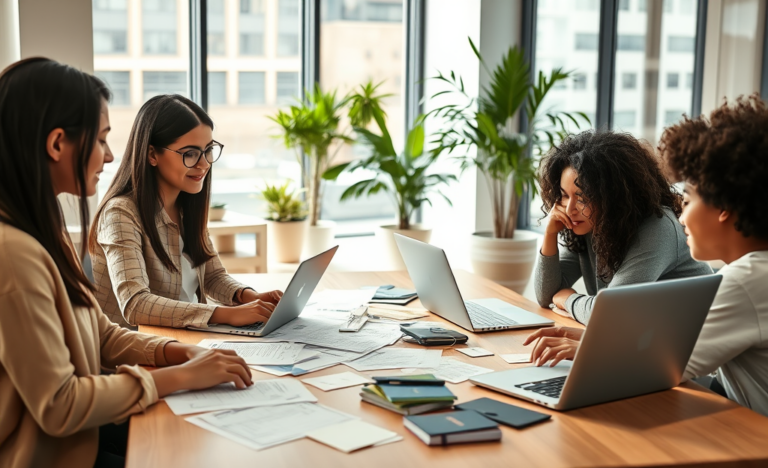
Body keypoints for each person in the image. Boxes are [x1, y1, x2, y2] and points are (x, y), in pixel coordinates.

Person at [0, 58, 254, 468]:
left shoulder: (45, 230)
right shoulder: (13, 254)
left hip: (88, 433)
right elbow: (59, 405)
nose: (109, 154)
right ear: (57, 144)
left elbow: (102, 334)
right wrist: (179, 376)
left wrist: (177, 355)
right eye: (100, 140)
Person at [525, 95, 768, 417]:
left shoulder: (746, 281)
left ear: (723, 207)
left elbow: (667, 365)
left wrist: (589, 342)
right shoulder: (753, 272)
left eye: (690, 198)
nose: (681, 214)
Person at [90, 94, 282, 329]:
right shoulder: (120, 213)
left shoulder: (186, 206)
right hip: (142, 353)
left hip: (189, 340)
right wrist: (225, 314)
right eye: (190, 153)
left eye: (208, 150)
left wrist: (250, 298)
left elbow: (213, 276)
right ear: (152, 154)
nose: (204, 164)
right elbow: (135, 304)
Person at [535, 130, 712, 324]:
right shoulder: (589, 226)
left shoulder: (658, 228)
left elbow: (610, 313)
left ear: (613, 196)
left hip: (696, 345)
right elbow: (546, 295)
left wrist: (568, 299)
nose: (569, 209)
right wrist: (550, 233)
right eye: (564, 195)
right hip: (645, 343)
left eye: (583, 197)